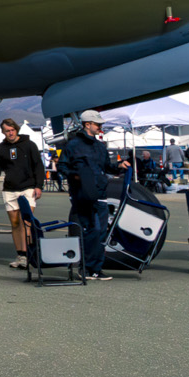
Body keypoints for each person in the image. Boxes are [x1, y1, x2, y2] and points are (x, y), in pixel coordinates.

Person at [61, 110, 125, 281]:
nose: (100, 127)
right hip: (84, 194)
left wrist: (120, 166)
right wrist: (77, 176)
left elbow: (107, 167)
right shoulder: (73, 145)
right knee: (93, 230)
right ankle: (87, 268)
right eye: (98, 124)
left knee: (101, 233)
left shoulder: (99, 146)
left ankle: (95, 269)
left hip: (101, 194)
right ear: (87, 124)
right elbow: (62, 167)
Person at [0, 119, 44, 268]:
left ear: (16, 130)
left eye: (12, 130)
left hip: (28, 187)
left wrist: (39, 186)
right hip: (10, 189)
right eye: (7, 131)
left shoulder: (29, 145)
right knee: (15, 223)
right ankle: (21, 256)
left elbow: (38, 165)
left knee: (26, 222)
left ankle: (29, 254)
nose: (10, 133)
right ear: (3, 132)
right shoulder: (0, 149)